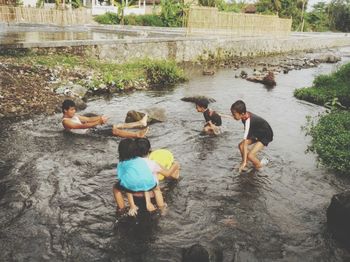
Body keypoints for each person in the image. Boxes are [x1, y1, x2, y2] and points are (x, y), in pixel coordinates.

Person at [113, 138, 165, 216]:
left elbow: (124, 181)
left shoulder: (121, 164)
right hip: (149, 183)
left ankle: (122, 209)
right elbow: (144, 176)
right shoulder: (141, 160)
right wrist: (148, 202)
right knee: (157, 189)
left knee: (116, 188)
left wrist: (132, 205)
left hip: (132, 185)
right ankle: (162, 208)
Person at [61, 99, 148, 138]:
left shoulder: (74, 115)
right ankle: (137, 135)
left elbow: (88, 119)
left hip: (91, 129)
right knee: (114, 131)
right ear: (65, 110)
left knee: (115, 125)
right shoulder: (66, 122)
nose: (74, 111)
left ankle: (140, 123)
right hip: (89, 134)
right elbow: (83, 126)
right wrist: (99, 121)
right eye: (72, 109)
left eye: (74, 109)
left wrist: (101, 117)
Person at [230, 100, 273, 172]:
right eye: (232, 114)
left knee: (250, 155)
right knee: (240, 146)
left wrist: (243, 162)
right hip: (257, 132)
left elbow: (245, 142)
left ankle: (260, 165)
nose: (233, 116)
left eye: (234, 114)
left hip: (266, 134)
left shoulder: (248, 121)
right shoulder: (244, 115)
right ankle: (246, 163)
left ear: (242, 113)